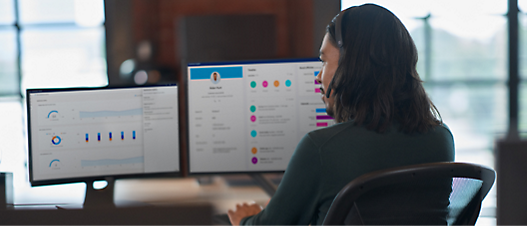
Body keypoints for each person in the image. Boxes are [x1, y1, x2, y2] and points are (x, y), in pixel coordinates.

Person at [228, 3, 455, 226]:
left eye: (324, 61)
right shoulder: (441, 139)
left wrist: (244, 220)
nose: (318, 76)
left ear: (351, 67)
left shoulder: (321, 149)